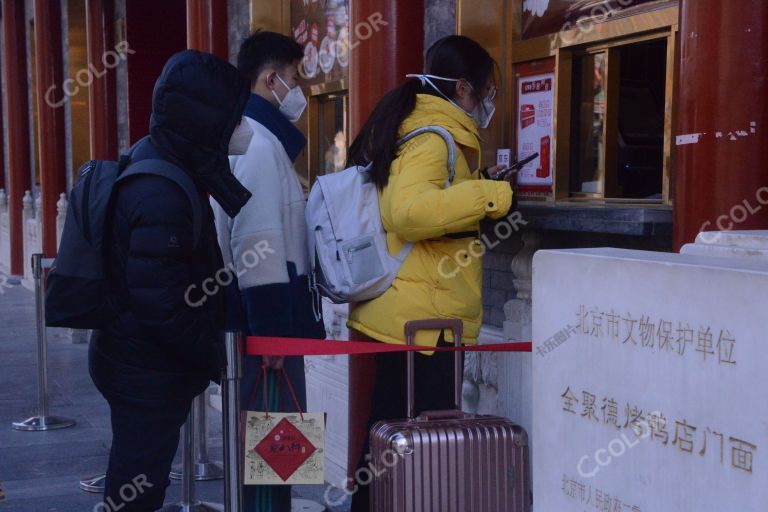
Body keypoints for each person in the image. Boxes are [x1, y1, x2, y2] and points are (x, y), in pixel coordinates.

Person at [345, 35, 515, 510]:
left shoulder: (419, 126)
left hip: (411, 312)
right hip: (424, 321)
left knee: (389, 437)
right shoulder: (435, 136)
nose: (490, 102)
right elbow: (409, 212)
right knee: (415, 440)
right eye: (487, 90)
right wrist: (492, 197)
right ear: (462, 89)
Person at [88, 50, 252, 511]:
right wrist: (209, 353)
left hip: (137, 359)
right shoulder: (161, 190)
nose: (240, 128)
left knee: (140, 477)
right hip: (144, 368)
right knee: (137, 487)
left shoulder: (163, 158)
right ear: (203, 121)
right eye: (232, 118)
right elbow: (161, 303)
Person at [212, 30, 326, 512]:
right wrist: (274, 334)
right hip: (269, 326)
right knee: (275, 452)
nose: (299, 90)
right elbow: (255, 241)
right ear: (270, 79)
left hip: (262, 319)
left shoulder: (250, 135)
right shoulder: (258, 144)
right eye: (295, 78)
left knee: (273, 450)